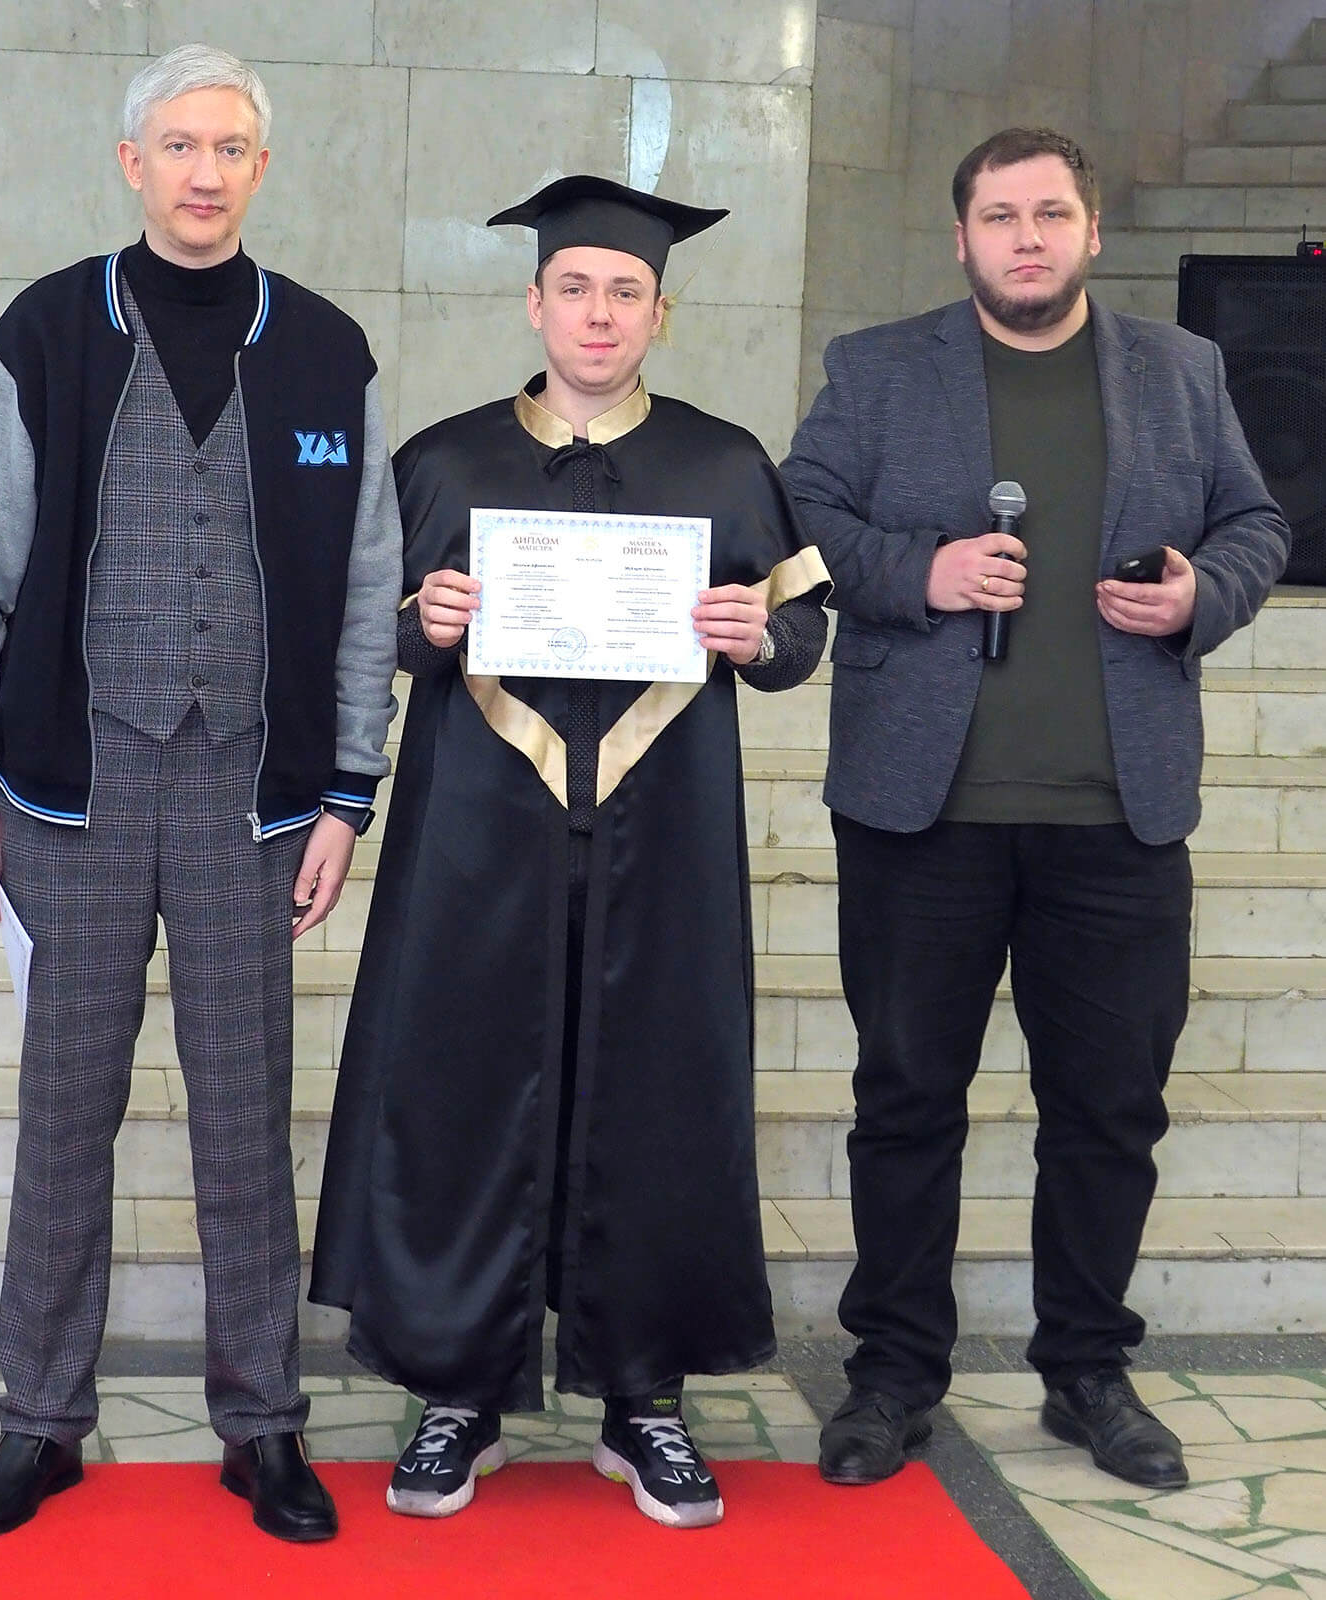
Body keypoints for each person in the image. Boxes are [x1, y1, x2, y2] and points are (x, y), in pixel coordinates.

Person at [0, 44, 400, 1542]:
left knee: (246, 1120)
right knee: (65, 1117)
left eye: (230, 147)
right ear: (133, 163)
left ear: (262, 168)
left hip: (254, 794)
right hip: (72, 790)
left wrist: (346, 793)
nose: (204, 171)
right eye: (179, 144)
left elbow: (368, 586)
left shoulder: (326, 352)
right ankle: (39, 1421)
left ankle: (263, 1426)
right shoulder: (41, 336)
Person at [309, 175, 830, 1529]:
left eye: (627, 291)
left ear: (662, 312)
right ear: (534, 302)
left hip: (667, 842)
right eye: (576, 288)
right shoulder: (446, 462)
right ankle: (457, 1390)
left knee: (660, 1097)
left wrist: (757, 638)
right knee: (460, 1087)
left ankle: (641, 1397)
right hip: (477, 842)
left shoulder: (724, 464)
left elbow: (799, 639)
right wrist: (424, 624)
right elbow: (366, 640)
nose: (600, 313)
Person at [780, 127, 1289, 1493]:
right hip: (920, 812)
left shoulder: (1181, 370)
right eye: (1000, 216)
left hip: (1118, 816)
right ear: (961, 238)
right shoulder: (880, 368)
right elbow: (804, 510)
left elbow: (1257, 524)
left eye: (1050, 214)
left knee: (1109, 1109)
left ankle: (1087, 1371)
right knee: (906, 1102)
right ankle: (893, 1373)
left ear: (1090, 232)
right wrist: (921, 573)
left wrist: (1200, 596)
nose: (1026, 238)